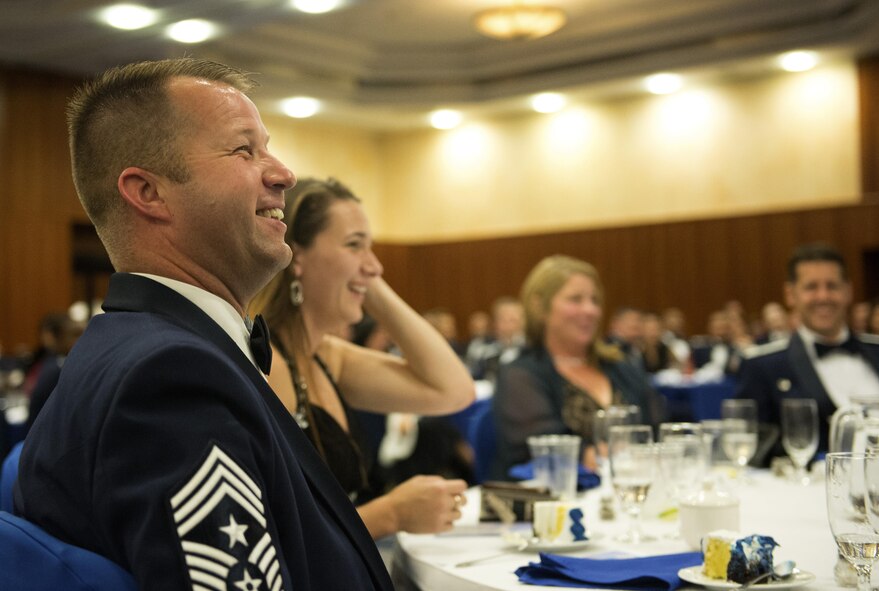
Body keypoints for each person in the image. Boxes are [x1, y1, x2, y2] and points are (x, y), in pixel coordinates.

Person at [16, 58, 394, 590]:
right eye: (244, 150)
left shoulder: (148, 347)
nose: (283, 172)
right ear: (148, 193)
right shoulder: (169, 378)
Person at [249, 177, 474, 540]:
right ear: (297, 255)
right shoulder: (267, 362)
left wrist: (370, 282)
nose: (374, 266)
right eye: (354, 245)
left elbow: (454, 391)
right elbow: (276, 538)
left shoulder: (326, 356)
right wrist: (392, 512)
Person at [491, 255, 661, 479]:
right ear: (539, 307)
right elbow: (553, 452)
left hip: (636, 492)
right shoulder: (520, 375)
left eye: (595, 300)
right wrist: (628, 455)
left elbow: (658, 437)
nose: (590, 310)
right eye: (575, 299)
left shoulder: (621, 366)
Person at [736, 243, 879, 461]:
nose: (823, 296)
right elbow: (752, 450)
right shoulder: (763, 365)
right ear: (790, 294)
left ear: (848, 291)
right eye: (811, 287)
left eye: (832, 286)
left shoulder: (875, 350)